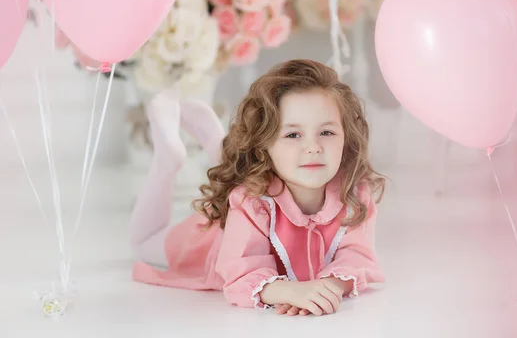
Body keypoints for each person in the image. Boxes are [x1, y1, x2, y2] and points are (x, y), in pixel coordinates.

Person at [130, 59, 386, 316]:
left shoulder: (354, 195)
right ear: (264, 145)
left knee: (250, 175)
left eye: (327, 132)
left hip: (263, 183)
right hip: (215, 239)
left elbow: (357, 256)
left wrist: (325, 288)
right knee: (144, 242)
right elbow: (241, 272)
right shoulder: (251, 201)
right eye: (293, 135)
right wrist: (290, 291)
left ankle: (220, 147)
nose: (313, 147)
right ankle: (167, 161)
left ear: (347, 137)